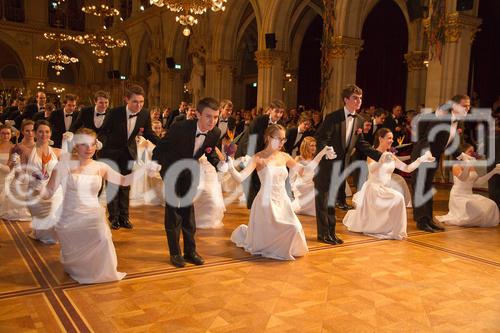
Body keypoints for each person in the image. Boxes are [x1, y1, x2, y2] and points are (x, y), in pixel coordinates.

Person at [36, 128, 150, 284]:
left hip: (93, 214)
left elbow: (124, 181)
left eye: (92, 144)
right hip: (70, 216)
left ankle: (100, 272)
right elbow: (48, 193)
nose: (89, 148)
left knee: (103, 238)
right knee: (76, 252)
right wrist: (36, 188)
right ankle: (78, 267)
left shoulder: (100, 166)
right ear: (76, 145)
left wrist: (144, 169)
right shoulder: (64, 165)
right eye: (84, 144)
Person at [228, 124, 334, 260]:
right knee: (289, 229)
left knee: (295, 227)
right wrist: (230, 166)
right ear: (268, 138)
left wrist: (322, 153)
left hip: (283, 201)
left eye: (283, 139)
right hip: (265, 204)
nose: (281, 142)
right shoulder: (258, 158)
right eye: (278, 138)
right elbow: (240, 177)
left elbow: (305, 172)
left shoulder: (284, 156)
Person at [153, 97, 224, 268]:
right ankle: (175, 252)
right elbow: (162, 146)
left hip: (190, 170)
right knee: (173, 212)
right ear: (198, 114)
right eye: (208, 116)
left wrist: (220, 163)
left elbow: (209, 152)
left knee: (188, 211)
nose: (212, 121)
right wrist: (154, 163)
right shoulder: (180, 127)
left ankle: (190, 251)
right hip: (171, 168)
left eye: (215, 117)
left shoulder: (215, 132)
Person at [314, 84, 382, 244]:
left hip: (341, 168)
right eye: (355, 98)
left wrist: (380, 155)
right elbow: (321, 138)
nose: (359, 101)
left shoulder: (359, 120)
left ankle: (331, 232)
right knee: (323, 201)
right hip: (325, 165)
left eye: (360, 98)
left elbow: (361, 143)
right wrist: (326, 150)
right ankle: (323, 234)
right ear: (346, 100)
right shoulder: (333, 117)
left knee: (332, 201)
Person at [343, 128, 435, 240]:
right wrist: (382, 159)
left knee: (399, 198)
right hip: (373, 190)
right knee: (399, 197)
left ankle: (393, 229)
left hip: (384, 189)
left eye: (392, 138)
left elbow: (407, 168)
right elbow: (372, 169)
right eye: (389, 138)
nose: (392, 140)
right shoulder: (373, 153)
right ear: (381, 139)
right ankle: (386, 228)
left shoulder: (390, 155)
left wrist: (421, 160)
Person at [98, 84, 158, 230]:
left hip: (129, 154)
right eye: (135, 102)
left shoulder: (144, 114)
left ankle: (124, 217)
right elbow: (103, 132)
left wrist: (163, 144)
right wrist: (101, 146)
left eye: (141, 102)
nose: (139, 105)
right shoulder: (114, 113)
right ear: (127, 100)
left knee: (125, 186)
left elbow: (149, 133)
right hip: (111, 153)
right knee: (112, 185)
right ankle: (113, 218)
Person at [411, 95, 469, 232]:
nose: (467, 108)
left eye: (468, 106)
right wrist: (426, 153)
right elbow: (426, 137)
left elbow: (448, 142)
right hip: (423, 156)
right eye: (464, 105)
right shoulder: (441, 117)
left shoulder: (455, 121)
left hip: (433, 158)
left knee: (427, 187)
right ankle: (421, 220)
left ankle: (429, 219)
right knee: (420, 187)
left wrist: (461, 155)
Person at [235, 100, 285, 209]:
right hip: (248, 150)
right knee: (251, 179)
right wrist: (250, 156)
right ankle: (252, 206)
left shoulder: (281, 124)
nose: (279, 115)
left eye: (281, 112)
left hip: (264, 154)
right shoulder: (260, 120)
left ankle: (259, 205)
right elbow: (251, 138)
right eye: (277, 111)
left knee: (260, 178)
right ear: (270, 110)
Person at [436, 143, 500, 227]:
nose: (473, 154)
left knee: (491, 204)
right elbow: (463, 178)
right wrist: (467, 165)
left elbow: (478, 182)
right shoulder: (456, 165)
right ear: (462, 153)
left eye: (473, 151)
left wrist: (493, 172)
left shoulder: (472, 166)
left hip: (469, 195)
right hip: (458, 196)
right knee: (474, 209)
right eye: (470, 151)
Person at [1, 120, 35, 222]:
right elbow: (8, 168)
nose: (30, 133)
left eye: (32, 130)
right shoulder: (15, 147)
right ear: (22, 132)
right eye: (27, 131)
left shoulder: (40, 147)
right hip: (18, 180)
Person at [291, 136, 317, 216]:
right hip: (301, 184)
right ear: (305, 146)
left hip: (312, 183)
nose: (314, 148)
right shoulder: (298, 158)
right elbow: (292, 175)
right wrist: (292, 187)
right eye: (311, 145)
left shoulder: (315, 158)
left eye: (315, 145)